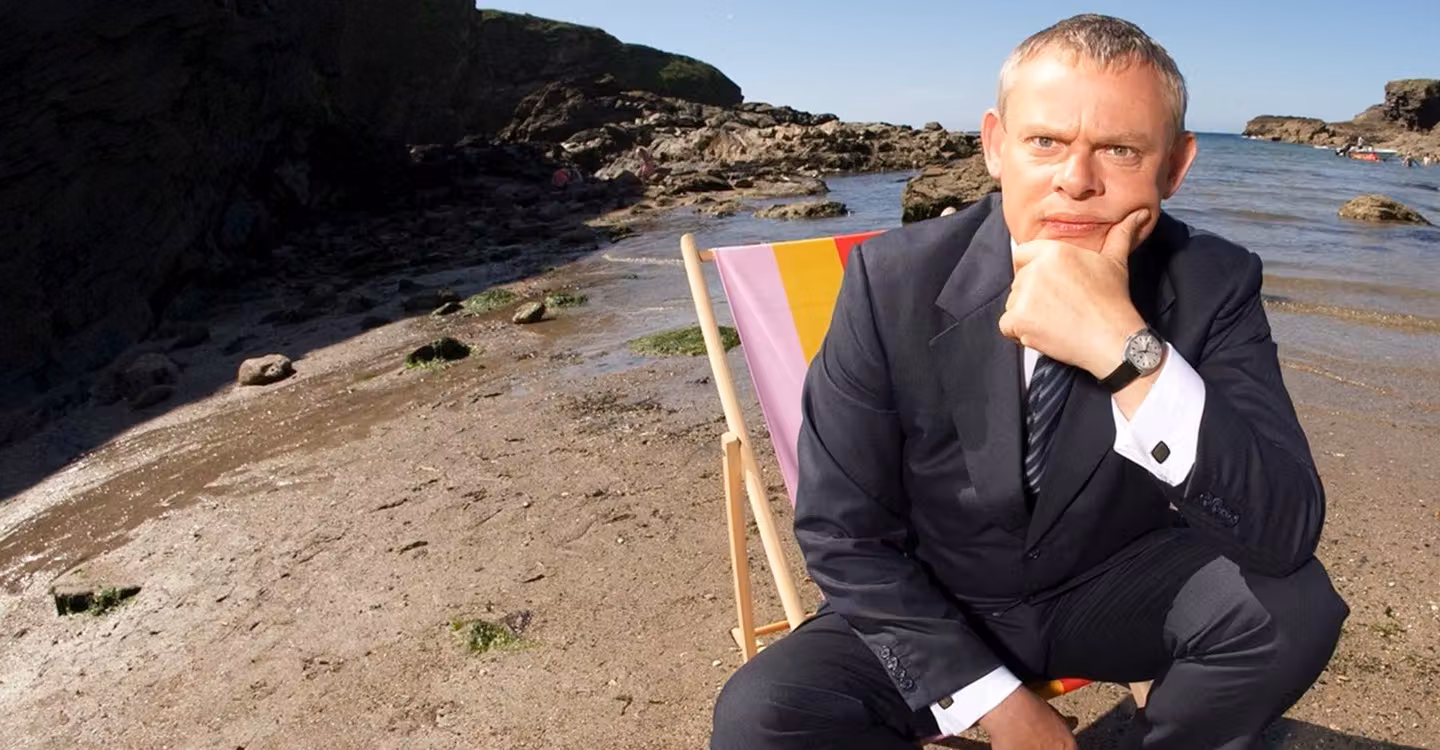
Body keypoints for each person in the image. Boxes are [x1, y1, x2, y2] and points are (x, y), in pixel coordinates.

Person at [711, 14, 1347, 750]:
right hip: (937, 596)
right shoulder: (892, 281)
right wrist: (1000, 704)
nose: (1076, 180)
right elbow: (842, 530)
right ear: (995, 145)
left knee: (1293, 611)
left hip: (1112, 586)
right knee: (764, 717)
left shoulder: (1214, 281)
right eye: (1046, 141)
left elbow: (1284, 530)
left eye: (1121, 149)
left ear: (1175, 167)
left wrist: (1126, 349)